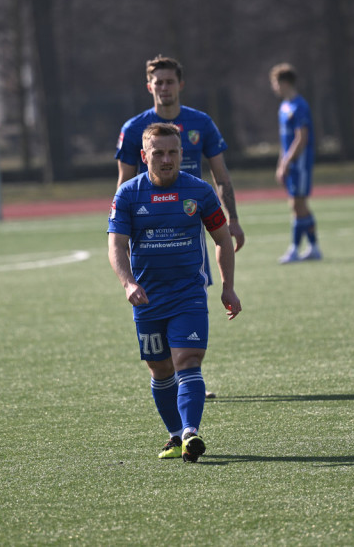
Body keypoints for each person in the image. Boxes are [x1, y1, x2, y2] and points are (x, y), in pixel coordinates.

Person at [107, 122, 242, 462]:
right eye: (158, 153)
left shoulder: (197, 191)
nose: (166, 159)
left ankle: (190, 432)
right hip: (148, 299)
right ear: (144, 156)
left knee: (188, 361)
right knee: (160, 369)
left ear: (182, 154)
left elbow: (223, 238)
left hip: (188, 295)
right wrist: (128, 283)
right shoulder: (127, 194)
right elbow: (116, 245)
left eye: (172, 152)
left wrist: (227, 287)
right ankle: (174, 433)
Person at [115, 55, 245, 252]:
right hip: (148, 219)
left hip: (190, 214)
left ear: (180, 85)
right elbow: (124, 181)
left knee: (196, 277)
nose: (164, 88)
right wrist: (122, 224)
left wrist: (233, 218)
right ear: (149, 87)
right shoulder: (133, 128)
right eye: (159, 83)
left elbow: (221, 176)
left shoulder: (202, 123)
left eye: (170, 82)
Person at [269, 63, 322, 263]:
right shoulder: (284, 107)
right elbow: (286, 141)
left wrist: (288, 161)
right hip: (290, 164)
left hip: (300, 164)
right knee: (299, 205)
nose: (274, 87)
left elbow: (302, 138)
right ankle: (314, 247)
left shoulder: (299, 106)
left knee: (296, 204)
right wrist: (280, 163)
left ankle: (295, 249)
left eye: (275, 83)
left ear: (284, 82)